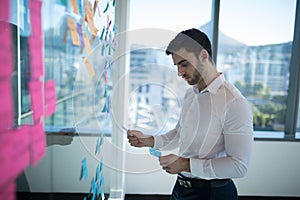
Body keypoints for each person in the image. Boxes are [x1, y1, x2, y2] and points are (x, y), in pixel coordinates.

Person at [127, 28, 253, 200]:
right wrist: (148, 141)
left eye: (184, 64)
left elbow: (239, 166)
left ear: (203, 55)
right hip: (181, 188)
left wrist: (185, 164)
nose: (179, 72)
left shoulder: (234, 103)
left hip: (212, 194)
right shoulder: (190, 94)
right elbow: (180, 133)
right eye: (177, 65)